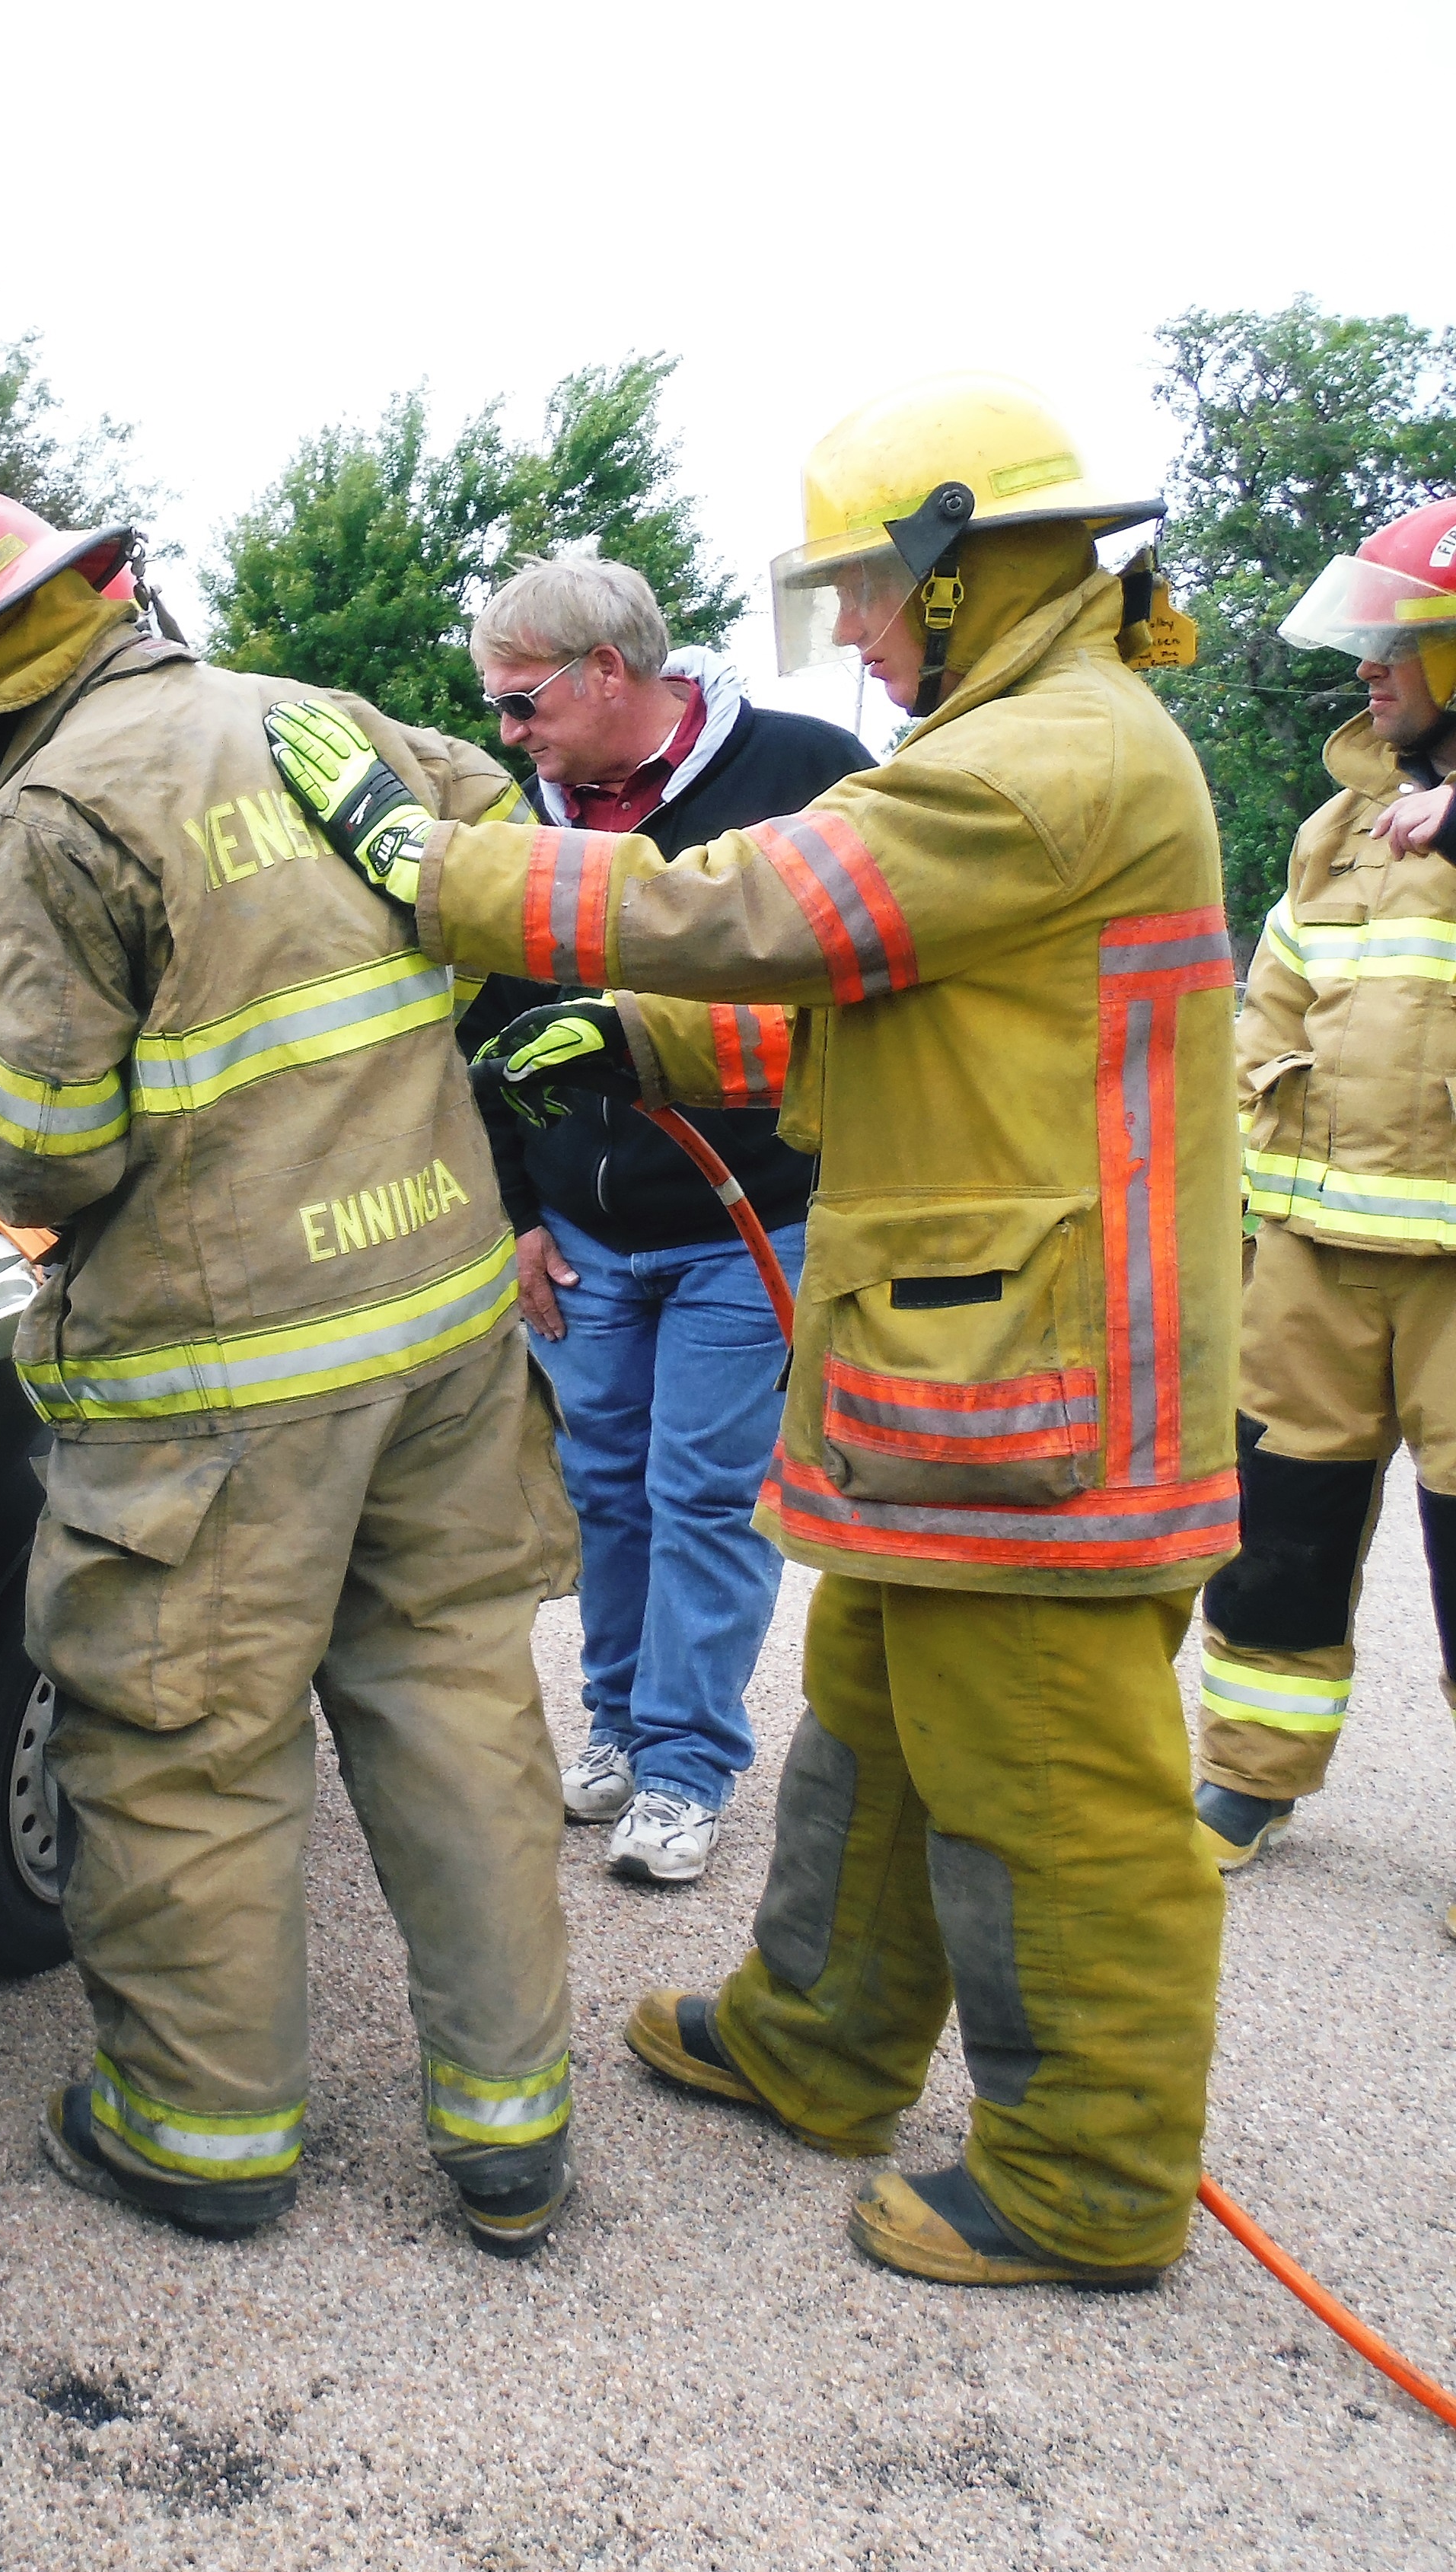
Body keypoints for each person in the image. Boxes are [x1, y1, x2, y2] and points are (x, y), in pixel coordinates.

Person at [272, 372, 1234, 2290]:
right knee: (873, 1727)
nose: (857, 635)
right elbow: (866, 1015)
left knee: (1052, 1790)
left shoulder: (1047, 757)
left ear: (960, 575)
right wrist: (636, 1042)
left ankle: (1088, 2179)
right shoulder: (1023, 736)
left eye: (871, 593)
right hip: (961, 1367)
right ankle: (819, 2040)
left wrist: (428, 864)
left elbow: (757, 904)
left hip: (1050, 1388)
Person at [0, 486, 581, 2258]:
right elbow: (510, 891)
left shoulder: (50, 817)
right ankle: (508, 2133)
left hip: (223, 1386)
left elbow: (50, 1152)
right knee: (456, 1699)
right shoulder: (320, 722)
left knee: (183, 1746)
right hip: (443, 1326)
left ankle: (198, 2134)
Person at [458, 562, 873, 1884]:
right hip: (582, 1240)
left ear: (606, 674)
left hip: (743, 1223)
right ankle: (621, 1729)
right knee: (604, 1493)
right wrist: (520, 1213)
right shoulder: (518, 820)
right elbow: (472, 1043)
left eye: (523, 705)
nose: (505, 735)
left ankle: (686, 1769)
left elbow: (855, 989)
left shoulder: (805, 767)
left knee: (700, 1495)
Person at [1194, 498, 1456, 1908]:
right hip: (1306, 1259)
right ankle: (1246, 1774)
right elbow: (1264, 1014)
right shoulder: (1337, 829)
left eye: (1398, 639)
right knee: (1276, 1533)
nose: (1367, 665)